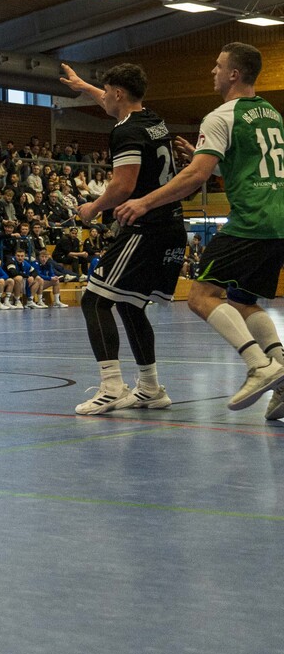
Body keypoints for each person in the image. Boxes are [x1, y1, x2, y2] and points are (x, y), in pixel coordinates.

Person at [114, 42, 284, 418]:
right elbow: (248, 164)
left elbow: (194, 177)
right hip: (279, 220)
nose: (213, 71)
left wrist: (144, 202)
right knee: (242, 300)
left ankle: (259, 366)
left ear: (234, 74)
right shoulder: (271, 114)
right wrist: (207, 156)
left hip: (251, 220)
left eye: (218, 66)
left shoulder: (221, 116)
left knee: (201, 296)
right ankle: (283, 377)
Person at [59, 62, 187, 416]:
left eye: (106, 91)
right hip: (170, 226)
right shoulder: (153, 120)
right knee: (130, 304)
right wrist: (84, 87)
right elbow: (109, 101)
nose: (104, 97)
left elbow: (123, 186)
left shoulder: (126, 131)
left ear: (118, 93)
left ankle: (112, 386)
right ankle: (150, 388)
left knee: (93, 301)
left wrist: (93, 207)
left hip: (146, 227)